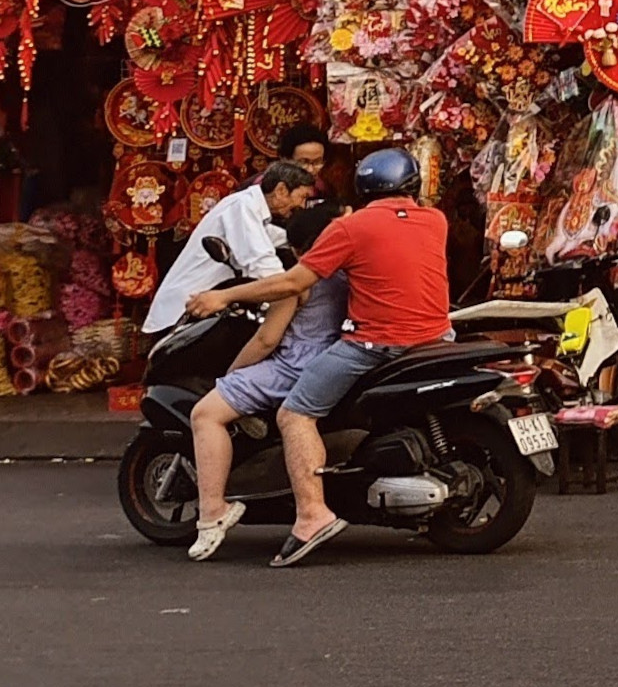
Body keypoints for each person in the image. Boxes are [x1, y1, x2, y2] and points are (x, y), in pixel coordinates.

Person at [182, 149, 452, 568]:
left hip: (376, 344)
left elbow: (290, 284)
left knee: (294, 415)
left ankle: (311, 515)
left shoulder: (351, 230)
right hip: (436, 336)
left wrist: (223, 295)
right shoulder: (435, 221)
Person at [158, 162, 327, 560]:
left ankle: (213, 512)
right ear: (281, 189)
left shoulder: (294, 277)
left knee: (207, 412)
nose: (297, 209)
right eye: (300, 199)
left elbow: (270, 329)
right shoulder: (245, 213)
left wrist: (233, 377)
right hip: (193, 310)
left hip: (291, 355)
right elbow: (266, 268)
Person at [144, 161, 318, 334]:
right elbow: (261, 262)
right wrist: (291, 289)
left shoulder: (252, 211)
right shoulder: (242, 206)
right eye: (302, 197)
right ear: (281, 190)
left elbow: (281, 239)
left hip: (202, 308)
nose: (302, 206)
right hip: (183, 311)